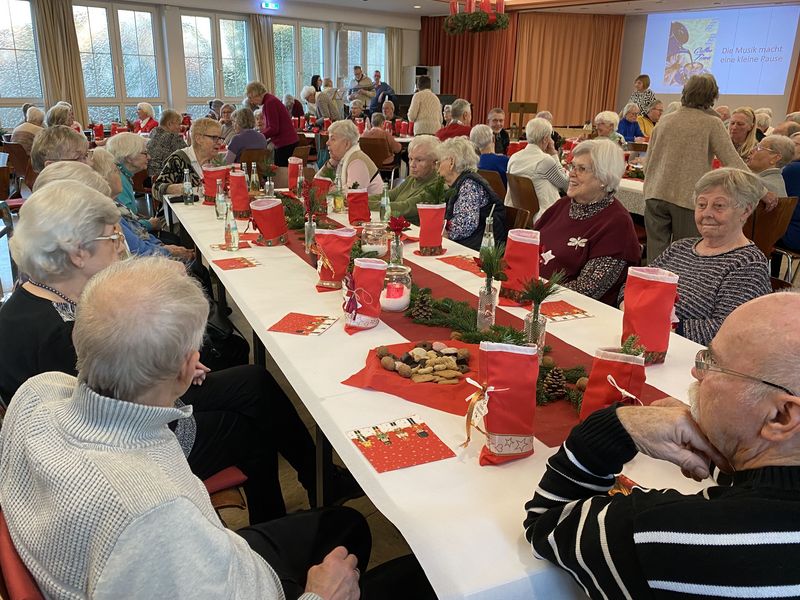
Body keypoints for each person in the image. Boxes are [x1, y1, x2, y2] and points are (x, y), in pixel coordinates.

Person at [0, 254, 375, 599]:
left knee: (346, 525)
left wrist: (169, 379)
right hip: (206, 567)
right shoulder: (154, 515)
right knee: (353, 545)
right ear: (185, 367)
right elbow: (156, 529)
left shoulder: (37, 392)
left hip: (199, 554)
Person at [0, 184, 358, 520]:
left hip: (116, 418)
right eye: (113, 238)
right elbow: (115, 419)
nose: (121, 247)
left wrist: (171, 368)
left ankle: (319, 479)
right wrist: (173, 378)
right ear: (78, 252)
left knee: (254, 381)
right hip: (122, 458)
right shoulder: (56, 335)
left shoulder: (36, 298)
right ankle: (275, 527)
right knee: (246, 431)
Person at [524, 290, 800, 599]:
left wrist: (619, 426)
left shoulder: (660, 536)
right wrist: (723, 446)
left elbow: (547, 524)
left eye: (715, 364)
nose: (697, 371)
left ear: (781, 416)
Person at [619, 168, 771, 346]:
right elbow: (634, 284)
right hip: (645, 340)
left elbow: (730, 329)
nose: (707, 213)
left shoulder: (748, 264)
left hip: (692, 354)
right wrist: (628, 306)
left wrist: (663, 326)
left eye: (719, 206)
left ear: (745, 211)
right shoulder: (680, 247)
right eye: (702, 205)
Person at [644, 74, 750, 260]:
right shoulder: (712, 123)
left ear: (684, 92)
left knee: (656, 255)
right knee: (686, 256)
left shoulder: (665, 120)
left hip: (655, 194)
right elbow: (733, 162)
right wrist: (762, 190)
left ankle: (653, 279)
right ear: (712, 96)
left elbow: (648, 162)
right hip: (686, 198)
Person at [535, 139, 641, 305]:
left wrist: (535, 293)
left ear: (604, 178)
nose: (571, 174)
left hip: (566, 310)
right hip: (532, 296)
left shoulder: (617, 225)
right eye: (572, 166)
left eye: (582, 169)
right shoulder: (562, 206)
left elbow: (587, 289)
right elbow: (527, 247)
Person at [437, 136, 507, 251]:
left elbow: (467, 224)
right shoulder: (459, 183)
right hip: (468, 243)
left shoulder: (469, 185)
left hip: (479, 247)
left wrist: (441, 230)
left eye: (439, 162)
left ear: (451, 162)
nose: (437, 168)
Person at [367, 135, 442, 224]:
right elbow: (389, 195)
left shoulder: (436, 187)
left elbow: (403, 208)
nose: (412, 165)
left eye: (419, 160)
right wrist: (361, 199)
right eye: (410, 159)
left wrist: (362, 203)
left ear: (435, 163)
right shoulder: (412, 179)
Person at [505, 117, 568, 223]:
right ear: (545, 139)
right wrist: (554, 154)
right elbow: (565, 185)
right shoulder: (545, 160)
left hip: (519, 214)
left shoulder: (514, 158)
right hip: (543, 216)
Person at [152, 117, 224, 201]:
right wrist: (174, 188)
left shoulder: (218, 161)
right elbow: (156, 188)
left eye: (220, 138)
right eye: (214, 138)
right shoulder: (179, 159)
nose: (220, 142)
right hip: (183, 208)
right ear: (198, 139)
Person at [106, 132, 158, 231]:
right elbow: (126, 223)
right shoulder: (117, 181)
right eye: (144, 153)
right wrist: (149, 224)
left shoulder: (123, 176)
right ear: (129, 157)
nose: (149, 157)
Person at [320, 119, 383, 195]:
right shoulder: (341, 159)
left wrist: (332, 190)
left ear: (346, 144)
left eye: (332, 139)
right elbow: (318, 185)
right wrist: (330, 164)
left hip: (374, 203)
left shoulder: (357, 162)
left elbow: (351, 196)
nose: (327, 143)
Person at [245, 81, 297, 166]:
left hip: (284, 143)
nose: (251, 101)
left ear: (256, 94)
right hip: (288, 141)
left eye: (251, 97)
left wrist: (259, 136)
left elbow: (274, 128)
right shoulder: (270, 100)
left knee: (280, 171)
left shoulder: (270, 103)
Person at [146, 109, 188, 179]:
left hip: (149, 175)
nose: (180, 127)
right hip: (163, 176)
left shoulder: (153, 132)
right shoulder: (172, 137)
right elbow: (187, 154)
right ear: (169, 124)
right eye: (178, 124)